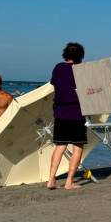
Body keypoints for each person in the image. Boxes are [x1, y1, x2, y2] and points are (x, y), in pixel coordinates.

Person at [47, 43, 88, 190]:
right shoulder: (82, 70)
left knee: (60, 145)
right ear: (81, 55)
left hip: (60, 112)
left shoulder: (58, 67)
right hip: (77, 112)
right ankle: (69, 182)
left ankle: (51, 179)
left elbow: (54, 83)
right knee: (77, 146)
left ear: (65, 54)